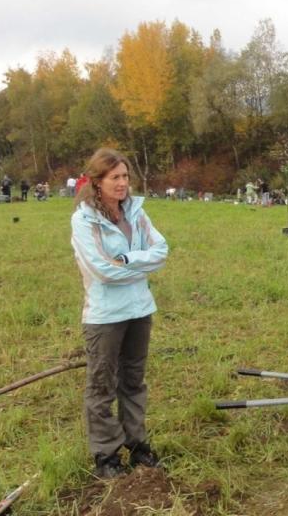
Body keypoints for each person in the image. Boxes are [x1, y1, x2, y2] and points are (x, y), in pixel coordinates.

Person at [71, 148, 168, 478]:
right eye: (115, 177)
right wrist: (143, 264)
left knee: (133, 381)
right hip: (105, 316)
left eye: (125, 176)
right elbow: (101, 271)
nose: (123, 183)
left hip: (140, 309)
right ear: (97, 181)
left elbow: (161, 251)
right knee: (101, 386)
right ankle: (106, 456)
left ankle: (137, 445)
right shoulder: (84, 219)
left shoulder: (137, 212)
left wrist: (128, 261)